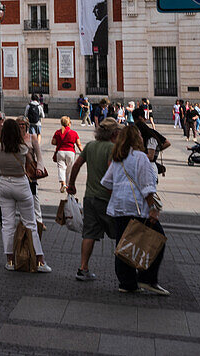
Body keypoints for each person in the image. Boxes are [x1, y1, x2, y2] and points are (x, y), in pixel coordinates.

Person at [100, 125, 168, 295]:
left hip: (120, 206)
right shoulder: (140, 157)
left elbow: (106, 182)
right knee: (158, 238)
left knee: (124, 243)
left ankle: (127, 282)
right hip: (137, 206)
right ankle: (148, 278)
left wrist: (118, 194)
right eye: (139, 135)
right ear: (136, 138)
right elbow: (146, 186)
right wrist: (152, 208)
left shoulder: (118, 157)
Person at [0, 115, 50, 272]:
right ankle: (39, 260)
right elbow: (29, 162)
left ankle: (10, 260)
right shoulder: (23, 148)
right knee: (30, 222)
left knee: (7, 224)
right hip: (21, 183)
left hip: (4, 183)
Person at [66, 118, 119, 281]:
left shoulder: (90, 146)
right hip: (107, 198)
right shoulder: (112, 148)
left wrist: (71, 184)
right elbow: (112, 170)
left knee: (88, 233)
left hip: (89, 197)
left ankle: (83, 268)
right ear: (114, 133)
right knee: (121, 233)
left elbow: (76, 166)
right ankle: (127, 272)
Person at [51, 116, 82, 193]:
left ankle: (63, 183)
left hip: (60, 152)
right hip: (70, 153)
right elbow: (79, 144)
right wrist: (83, 152)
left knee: (61, 168)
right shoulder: (74, 133)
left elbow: (53, 142)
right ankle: (68, 185)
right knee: (69, 169)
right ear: (69, 123)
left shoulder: (58, 132)